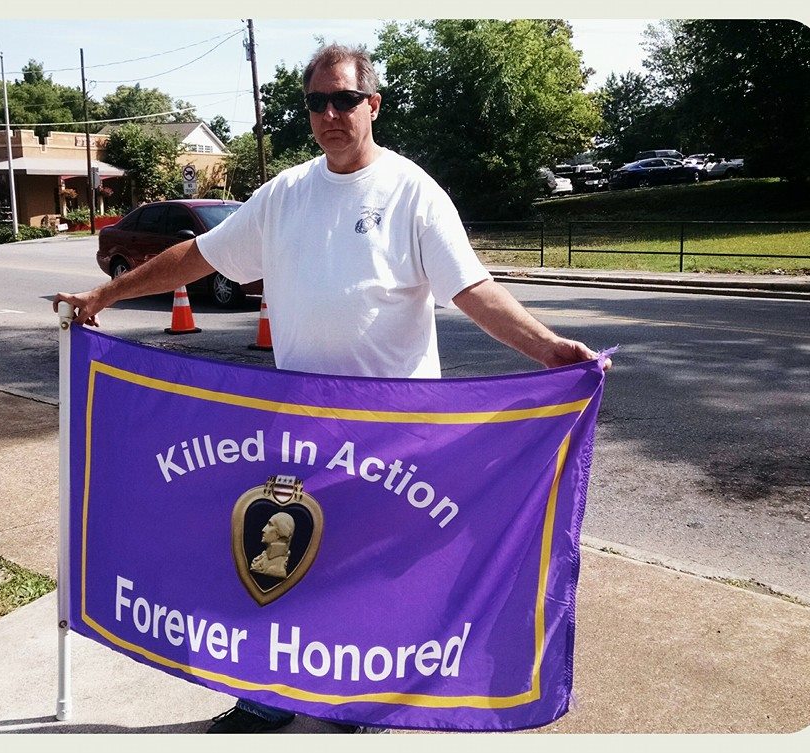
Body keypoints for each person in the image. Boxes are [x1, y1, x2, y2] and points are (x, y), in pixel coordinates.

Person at [55, 43, 610, 733]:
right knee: (280, 558)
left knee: (371, 574)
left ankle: (357, 694)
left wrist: (549, 349)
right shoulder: (286, 193)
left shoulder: (412, 192)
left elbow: (473, 289)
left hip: (391, 430)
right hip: (300, 425)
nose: (329, 114)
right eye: (317, 102)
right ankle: (267, 691)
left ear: (372, 104)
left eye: (344, 99)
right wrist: (106, 291)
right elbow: (195, 257)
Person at [250, 512, 295, 578]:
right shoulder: (260, 560)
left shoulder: (277, 570)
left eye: (270, 525)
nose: (263, 530)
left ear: (281, 533)